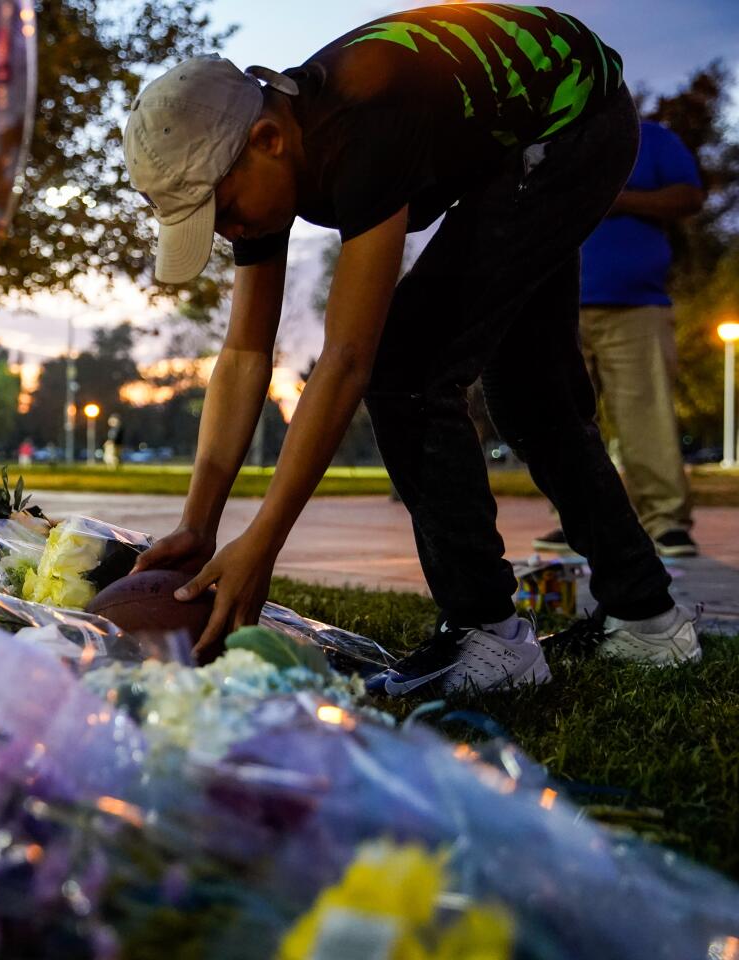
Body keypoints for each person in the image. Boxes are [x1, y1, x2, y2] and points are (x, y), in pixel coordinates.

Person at [124, 4, 700, 698]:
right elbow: (246, 352)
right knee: (533, 396)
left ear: (269, 139)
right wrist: (199, 523)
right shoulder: (265, 159)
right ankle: (649, 618)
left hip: (576, 119)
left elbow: (347, 359)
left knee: (409, 371)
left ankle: (489, 633)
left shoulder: (363, 120)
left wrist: (264, 540)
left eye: (222, 211)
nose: (227, 233)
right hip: (518, 133)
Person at [533, 120, 705, 558]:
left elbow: (689, 195)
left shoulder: (654, 138)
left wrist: (618, 198)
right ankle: (576, 519)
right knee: (561, 416)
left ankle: (666, 521)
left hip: (637, 304)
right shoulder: (552, 139)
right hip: (560, 303)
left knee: (647, 415)